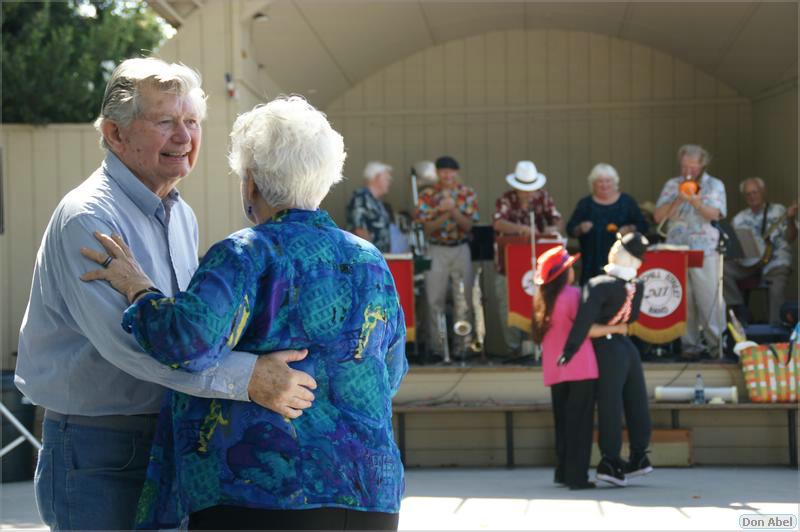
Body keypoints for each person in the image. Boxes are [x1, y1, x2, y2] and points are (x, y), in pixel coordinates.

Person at [13, 58, 314, 531]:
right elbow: (131, 348)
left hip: (168, 432)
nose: (185, 137)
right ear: (115, 134)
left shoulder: (181, 214)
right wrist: (249, 377)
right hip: (101, 446)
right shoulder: (89, 220)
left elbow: (189, 331)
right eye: (165, 122)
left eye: (192, 121)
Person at [80, 96, 408, 530]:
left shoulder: (245, 253)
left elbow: (185, 343)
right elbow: (392, 370)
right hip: (369, 494)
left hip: (261, 495)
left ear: (251, 183)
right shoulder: (370, 260)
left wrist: (140, 290)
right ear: (323, 182)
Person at [558, 233, 653, 487]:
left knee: (611, 403)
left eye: (617, 245)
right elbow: (629, 321)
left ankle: (610, 462)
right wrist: (618, 328)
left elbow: (583, 324)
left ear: (623, 253)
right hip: (626, 346)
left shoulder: (600, 284)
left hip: (605, 348)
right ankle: (639, 456)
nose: (612, 247)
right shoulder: (638, 285)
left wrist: (569, 350)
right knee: (636, 399)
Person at [532, 246, 626, 490]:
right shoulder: (574, 295)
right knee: (580, 425)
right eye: (569, 267)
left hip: (554, 371)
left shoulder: (542, 300)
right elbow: (588, 330)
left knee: (563, 423)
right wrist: (616, 329)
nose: (573, 270)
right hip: (581, 368)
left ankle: (563, 472)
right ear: (565, 274)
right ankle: (577, 477)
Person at [653, 144, 727, 358]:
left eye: (693, 168)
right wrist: (678, 198)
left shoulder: (714, 185)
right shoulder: (672, 184)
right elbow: (658, 217)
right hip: (676, 249)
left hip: (705, 250)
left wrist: (695, 201)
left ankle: (717, 347)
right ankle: (690, 346)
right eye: (685, 166)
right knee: (683, 299)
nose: (688, 172)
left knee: (709, 299)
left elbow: (715, 214)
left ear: (703, 165)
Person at [493, 160, 561, 356]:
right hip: (508, 265)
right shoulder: (505, 199)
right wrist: (520, 229)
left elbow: (557, 219)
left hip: (537, 265)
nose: (528, 193)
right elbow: (498, 223)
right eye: (524, 189)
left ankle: (539, 345)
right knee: (508, 305)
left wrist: (552, 228)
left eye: (531, 189)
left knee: (539, 302)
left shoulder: (544, 198)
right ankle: (514, 348)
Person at [415, 155, 479, 357]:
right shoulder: (428, 195)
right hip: (436, 248)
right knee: (435, 299)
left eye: (451, 171)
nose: (447, 175)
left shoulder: (466, 193)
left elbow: (469, 226)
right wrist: (444, 212)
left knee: (464, 298)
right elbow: (426, 228)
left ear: (456, 173)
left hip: (461, 247)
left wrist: (453, 209)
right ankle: (438, 347)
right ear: (437, 173)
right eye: (443, 171)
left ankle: (463, 346)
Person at [724, 178, 798, 325]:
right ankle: (739, 308)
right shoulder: (739, 219)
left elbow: (791, 238)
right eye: (748, 194)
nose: (752, 196)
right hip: (748, 264)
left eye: (755, 192)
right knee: (721, 269)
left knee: (776, 288)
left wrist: (790, 219)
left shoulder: (779, 211)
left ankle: (776, 331)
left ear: (763, 192)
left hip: (776, 261)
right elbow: (731, 246)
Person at [566, 163, 648, 285]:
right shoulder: (585, 204)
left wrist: (630, 228)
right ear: (593, 184)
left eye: (608, 181)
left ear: (615, 182)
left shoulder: (627, 202)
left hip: (622, 263)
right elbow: (570, 229)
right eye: (600, 181)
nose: (604, 185)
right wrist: (580, 228)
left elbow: (644, 225)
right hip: (591, 262)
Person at [346, 161, 394, 252]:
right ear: (377, 177)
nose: (389, 181)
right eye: (387, 178)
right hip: (367, 258)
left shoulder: (377, 202)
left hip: (379, 258)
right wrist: (372, 254)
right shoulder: (361, 197)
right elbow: (359, 229)